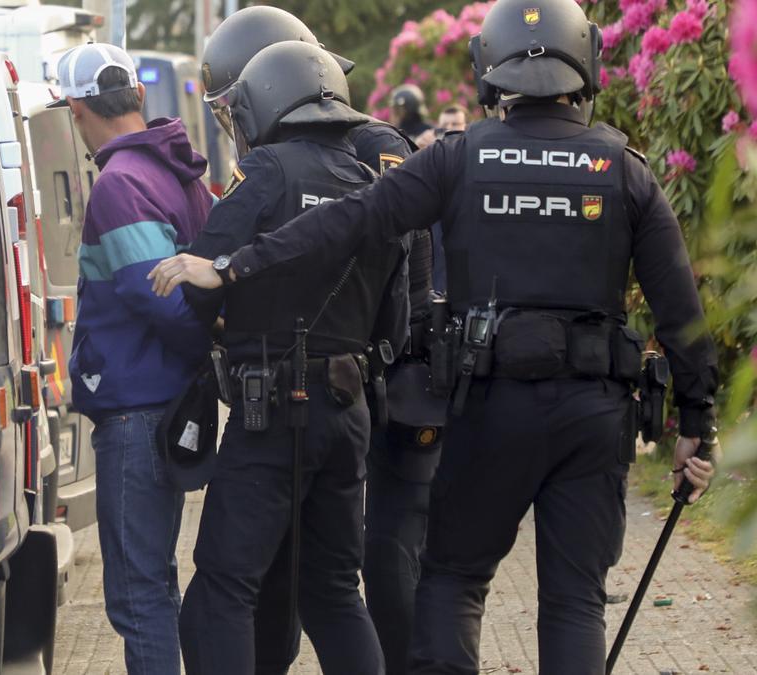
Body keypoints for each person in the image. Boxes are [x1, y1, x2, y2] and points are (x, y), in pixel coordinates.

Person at [149, 0, 719, 671]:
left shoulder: (459, 157)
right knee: (573, 603)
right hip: (593, 416)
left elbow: (352, 221)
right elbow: (679, 309)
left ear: (489, 67)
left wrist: (234, 262)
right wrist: (696, 423)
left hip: (491, 409)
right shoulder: (626, 169)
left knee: (452, 580)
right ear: (588, 63)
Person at [171, 40, 401, 674]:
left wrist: (224, 327)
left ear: (266, 103)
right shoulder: (373, 183)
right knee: (332, 593)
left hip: (268, 409)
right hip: (348, 409)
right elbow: (395, 319)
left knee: (222, 591)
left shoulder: (267, 170)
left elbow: (200, 273)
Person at [51, 42, 213, 674]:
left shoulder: (119, 183)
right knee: (157, 579)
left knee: (137, 595)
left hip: (136, 411)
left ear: (74, 109)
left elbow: (163, 300)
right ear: (139, 96)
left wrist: (200, 343)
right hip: (171, 403)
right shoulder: (179, 172)